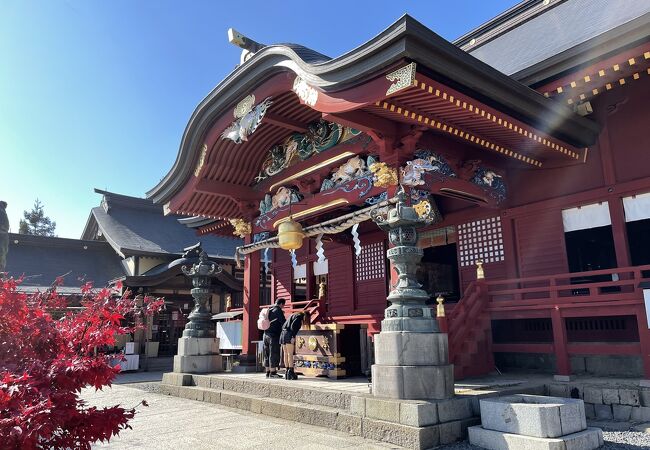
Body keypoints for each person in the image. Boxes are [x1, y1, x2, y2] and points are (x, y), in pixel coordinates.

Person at [280, 310, 306, 380]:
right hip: (289, 334)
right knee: (290, 354)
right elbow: (293, 327)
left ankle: (287, 371)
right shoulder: (299, 317)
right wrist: (293, 337)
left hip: (283, 334)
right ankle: (291, 372)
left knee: (285, 354)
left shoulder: (292, 315)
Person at [263, 298, 286, 378]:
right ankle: (273, 373)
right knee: (274, 352)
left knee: (267, 353)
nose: (283, 307)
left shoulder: (269, 309)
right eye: (283, 305)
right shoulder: (278, 310)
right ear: (281, 304)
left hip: (265, 334)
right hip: (273, 335)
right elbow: (283, 322)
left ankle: (267, 372)